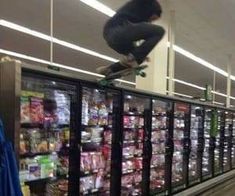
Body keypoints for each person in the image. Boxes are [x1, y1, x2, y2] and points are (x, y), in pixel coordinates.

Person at [97, 0, 165, 76]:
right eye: (152, 18)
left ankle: (109, 69)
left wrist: (141, 53)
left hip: (114, 38)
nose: (150, 21)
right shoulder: (146, 2)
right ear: (151, 11)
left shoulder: (136, 17)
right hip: (117, 29)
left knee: (138, 58)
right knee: (159, 31)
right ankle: (131, 58)